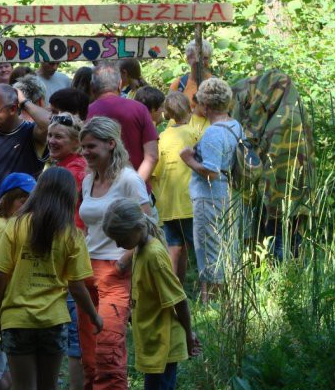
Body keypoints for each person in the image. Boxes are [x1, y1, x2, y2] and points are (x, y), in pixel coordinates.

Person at [0, 167, 103, 390]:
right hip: (53, 320)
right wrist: (95, 317)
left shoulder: (15, 225)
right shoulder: (72, 234)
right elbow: (77, 286)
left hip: (17, 319)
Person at [76, 116, 151, 390]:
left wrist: (123, 262)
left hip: (115, 272)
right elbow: (88, 225)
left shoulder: (129, 180)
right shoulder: (89, 178)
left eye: (91, 146)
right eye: (83, 147)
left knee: (108, 352)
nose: (85, 152)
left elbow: (148, 225)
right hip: (86, 271)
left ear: (110, 144)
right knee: (90, 355)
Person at [102, 198, 201, 390]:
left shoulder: (154, 256)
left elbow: (179, 300)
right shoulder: (140, 249)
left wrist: (189, 336)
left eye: (120, 238)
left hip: (163, 343)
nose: (118, 244)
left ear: (137, 228)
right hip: (153, 341)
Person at [231, 69, 315, 261]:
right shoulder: (297, 113)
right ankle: (291, 274)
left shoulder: (275, 120)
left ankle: (281, 279)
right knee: (293, 238)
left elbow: (252, 146)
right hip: (299, 196)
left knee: (277, 238)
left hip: (275, 197)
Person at [180, 78, 242, 303]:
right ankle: (224, 300)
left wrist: (188, 159)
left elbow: (211, 171)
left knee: (209, 251)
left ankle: (212, 305)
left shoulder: (214, 132)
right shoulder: (234, 125)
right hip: (228, 194)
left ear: (205, 106)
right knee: (225, 248)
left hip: (210, 198)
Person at [0, 172, 37, 390]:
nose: (27, 205)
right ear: (6, 201)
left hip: (17, 307)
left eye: (31, 199)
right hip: (1, 308)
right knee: (1, 378)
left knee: (8, 377)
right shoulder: (1, 227)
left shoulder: (24, 227)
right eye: (21, 199)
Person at [46, 113, 87, 390]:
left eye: (58, 136)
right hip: (64, 256)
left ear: (75, 142)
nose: (51, 141)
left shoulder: (72, 171)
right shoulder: (62, 167)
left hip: (68, 257)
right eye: (50, 135)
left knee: (73, 331)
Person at [0, 84, 49, 222]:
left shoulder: (31, 134)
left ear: (13, 108)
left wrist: (24, 102)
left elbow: (51, 124)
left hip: (22, 225)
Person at [87, 63, 159, 192]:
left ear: (92, 87)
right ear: (120, 84)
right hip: (138, 194)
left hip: (100, 194)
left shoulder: (87, 113)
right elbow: (152, 156)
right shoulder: (139, 109)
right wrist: (135, 188)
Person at [152, 92, 199, 284]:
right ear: (189, 108)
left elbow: (156, 170)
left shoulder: (161, 137)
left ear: (167, 113)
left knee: (174, 247)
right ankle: (208, 290)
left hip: (167, 202)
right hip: (189, 200)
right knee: (198, 246)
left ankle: (173, 289)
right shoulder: (194, 133)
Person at [169, 39, 214, 109]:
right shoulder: (179, 85)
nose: (202, 62)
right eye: (198, 58)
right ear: (188, 59)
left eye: (205, 58)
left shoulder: (216, 84)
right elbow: (167, 114)